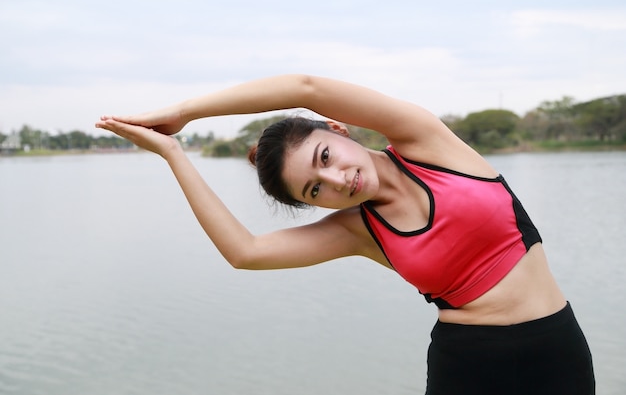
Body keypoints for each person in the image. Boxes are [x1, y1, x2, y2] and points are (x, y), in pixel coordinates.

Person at [96, 74, 595, 394]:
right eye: (316, 190)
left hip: (557, 349)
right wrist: (174, 154)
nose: (337, 181)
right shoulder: (359, 231)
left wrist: (187, 113)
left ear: (338, 130)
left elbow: (306, 88)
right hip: (466, 368)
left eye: (326, 158)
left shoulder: (426, 142)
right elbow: (244, 252)